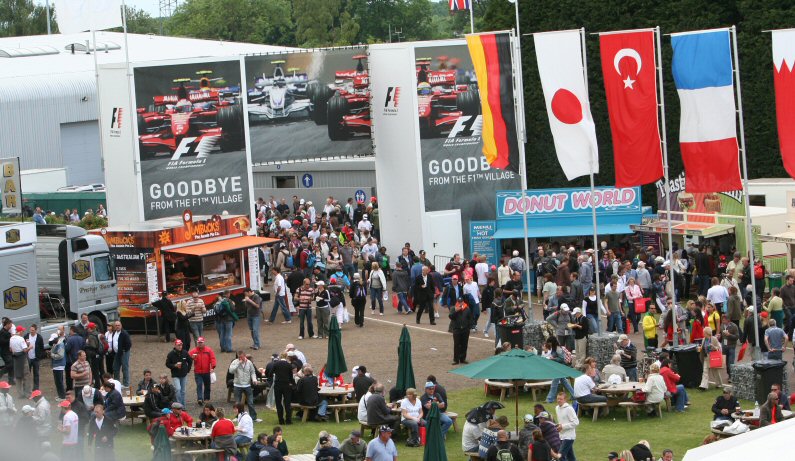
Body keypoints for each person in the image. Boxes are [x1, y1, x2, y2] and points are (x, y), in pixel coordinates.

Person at [229, 350, 259, 422]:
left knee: (250, 402)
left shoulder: (249, 363)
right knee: (237, 403)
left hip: (247, 385)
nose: (240, 359)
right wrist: (238, 364)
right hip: (237, 385)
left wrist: (254, 379)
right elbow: (231, 371)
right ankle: (238, 417)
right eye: (239, 357)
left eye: (241, 357)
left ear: (244, 356)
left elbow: (252, 372)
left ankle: (253, 417)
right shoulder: (235, 362)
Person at [189, 337, 216, 406]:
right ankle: (200, 399)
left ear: (204, 342)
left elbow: (212, 358)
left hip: (207, 371)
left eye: (201, 342)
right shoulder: (193, 351)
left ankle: (206, 398)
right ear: (197, 343)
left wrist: (212, 367)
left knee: (207, 385)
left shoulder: (208, 350)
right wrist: (191, 358)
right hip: (197, 372)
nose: (200, 344)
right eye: (199, 343)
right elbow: (188, 358)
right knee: (199, 385)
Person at [165, 339, 193, 407]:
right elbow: (167, 364)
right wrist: (174, 365)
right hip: (175, 375)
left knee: (183, 391)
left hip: (184, 375)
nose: (180, 346)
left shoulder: (185, 352)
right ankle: (179, 405)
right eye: (178, 345)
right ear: (175, 345)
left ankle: (183, 406)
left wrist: (188, 370)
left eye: (181, 345)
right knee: (178, 389)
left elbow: (190, 361)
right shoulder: (171, 354)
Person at [271, 352, 294, 425]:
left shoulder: (276, 364)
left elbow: (270, 373)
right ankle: (288, 420)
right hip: (286, 385)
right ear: (287, 357)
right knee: (287, 403)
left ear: (280, 357)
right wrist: (292, 383)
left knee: (278, 403)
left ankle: (281, 420)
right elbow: (291, 377)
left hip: (278, 384)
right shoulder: (289, 365)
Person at [450, 291, 473, 364]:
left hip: (465, 329)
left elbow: (470, 318)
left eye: (461, 302)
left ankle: (463, 359)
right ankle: (456, 359)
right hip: (457, 329)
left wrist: (469, 327)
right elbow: (451, 317)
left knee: (464, 344)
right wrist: (456, 311)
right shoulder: (453, 308)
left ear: (463, 302)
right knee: (456, 345)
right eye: (459, 302)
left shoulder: (467, 309)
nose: (460, 303)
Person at [555, 392, 578, 461]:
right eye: (558, 399)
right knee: (570, 457)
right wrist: (559, 426)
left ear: (565, 400)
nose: (559, 400)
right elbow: (562, 421)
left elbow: (576, 422)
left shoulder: (569, 409)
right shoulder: (557, 408)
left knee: (560, 456)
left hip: (569, 436)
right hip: (561, 436)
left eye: (561, 399)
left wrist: (562, 426)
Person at [10, 325, 30, 397]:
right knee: (26, 376)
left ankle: (20, 394)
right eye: (23, 331)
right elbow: (25, 350)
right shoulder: (21, 339)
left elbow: (10, 349)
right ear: (20, 331)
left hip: (15, 358)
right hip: (22, 359)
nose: (23, 332)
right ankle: (27, 393)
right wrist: (29, 347)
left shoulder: (11, 338)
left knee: (18, 376)